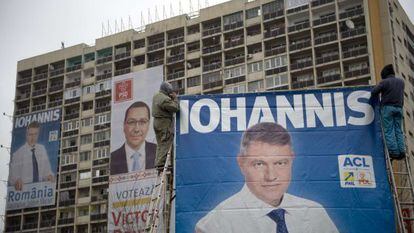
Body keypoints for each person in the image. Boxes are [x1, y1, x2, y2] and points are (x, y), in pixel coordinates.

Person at [195, 122, 338, 233]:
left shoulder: (315, 212)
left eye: (280, 163)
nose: (271, 176)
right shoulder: (214, 226)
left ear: (292, 160)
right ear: (241, 163)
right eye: (259, 164)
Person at [110, 101, 156, 175]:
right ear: (124, 125)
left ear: (148, 125)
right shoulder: (112, 158)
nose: (136, 129)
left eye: (142, 122)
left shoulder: (158, 152)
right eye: (131, 122)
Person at [371, 64, 406, 159]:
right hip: (399, 108)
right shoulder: (401, 82)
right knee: (398, 130)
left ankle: (394, 152)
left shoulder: (385, 82)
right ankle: (402, 151)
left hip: (387, 108)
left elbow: (374, 92)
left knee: (389, 130)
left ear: (384, 74)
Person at [8, 121, 54, 191]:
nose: (33, 137)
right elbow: (12, 176)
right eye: (31, 134)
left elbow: (47, 170)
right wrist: (16, 180)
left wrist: (49, 176)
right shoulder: (18, 154)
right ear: (26, 135)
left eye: (35, 134)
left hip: (40, 191)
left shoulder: (42, 149)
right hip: (24, 192)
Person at [152, 82, 179, 170]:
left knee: (160, 143)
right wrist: (175, 99)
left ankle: (158, 162)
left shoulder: (156, 96)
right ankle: (161, 164)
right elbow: (175, 108)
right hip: (164, 122)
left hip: (156, 122)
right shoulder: (165, 99)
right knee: (166, 142)